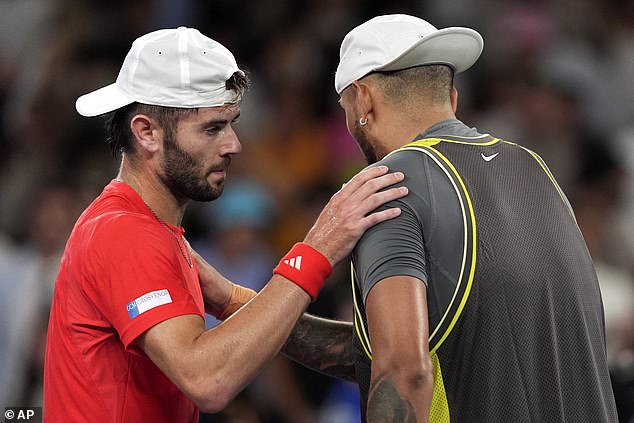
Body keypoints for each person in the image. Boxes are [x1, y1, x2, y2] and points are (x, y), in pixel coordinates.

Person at [42, 27, 408, 422]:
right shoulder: (124, 231)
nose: (234, 144)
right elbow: (209, 380)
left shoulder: (154, 232)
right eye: (213, 128)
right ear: (146, 132)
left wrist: (232, 300)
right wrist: (316, 250)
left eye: (232, 123)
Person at [281, 14, 620, 422]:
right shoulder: (535, 169)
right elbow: (394, 348)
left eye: (346, 108)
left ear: (363, 100)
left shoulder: (389, 187)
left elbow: (403, 373)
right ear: (452, 99)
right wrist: (239, 305)